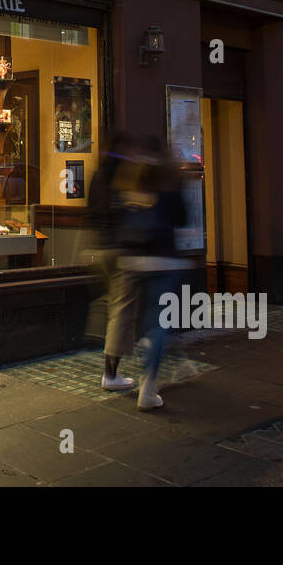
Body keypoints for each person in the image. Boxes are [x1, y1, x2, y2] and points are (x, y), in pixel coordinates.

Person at [88, 133, 187, 409]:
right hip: (162, 260)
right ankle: (148, 383)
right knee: (159, 321)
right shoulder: (169, 179)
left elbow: (114, 215)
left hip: (129, 258)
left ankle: (113, 371)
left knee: (122, 311)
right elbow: (182, 217)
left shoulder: (127, 179)